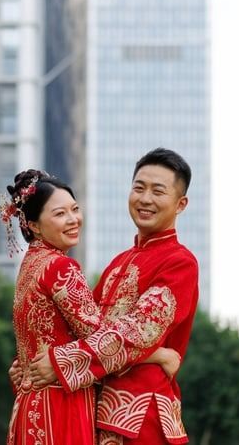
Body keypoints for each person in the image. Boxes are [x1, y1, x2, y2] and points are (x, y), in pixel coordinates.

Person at [26, 149, 200, 444]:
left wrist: (59, 363)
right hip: (95, 411)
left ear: (180, 204)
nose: (145, 199)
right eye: (139, 187)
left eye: (158, 191)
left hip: (142, 416)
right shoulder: (119, 262)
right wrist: (30, 360)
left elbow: (135, 333)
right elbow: (80, 329)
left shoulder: (180, 263)